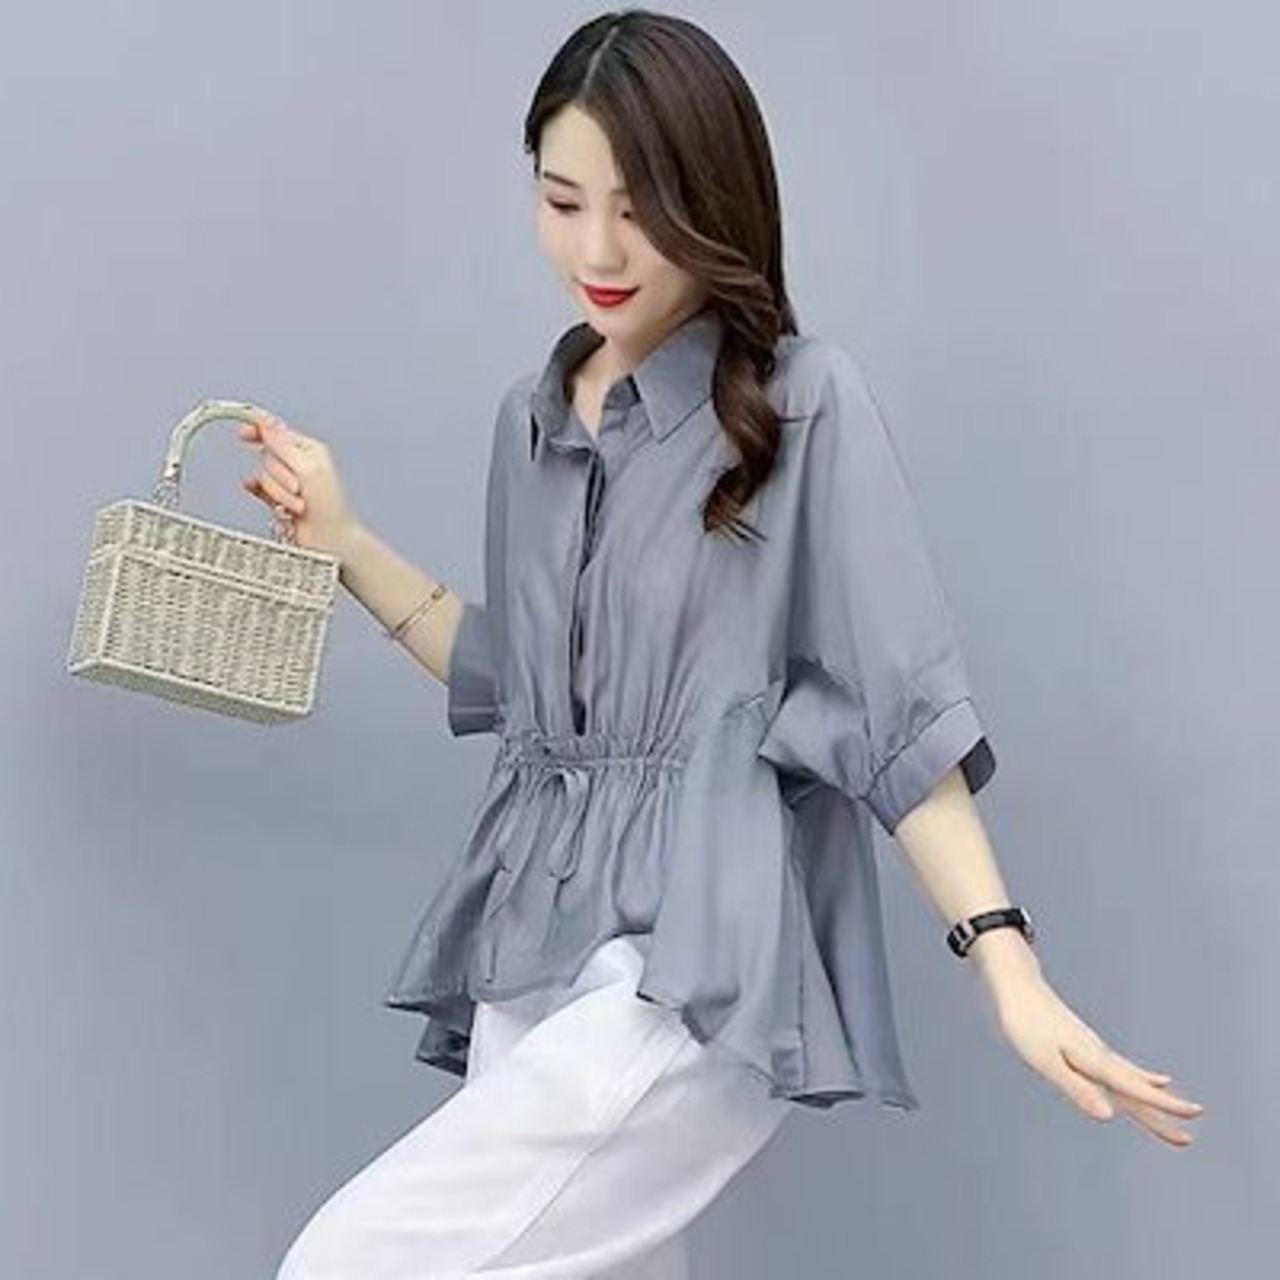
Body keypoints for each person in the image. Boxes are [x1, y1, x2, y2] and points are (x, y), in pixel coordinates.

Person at [239, 9, 1205, 1277]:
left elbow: (890, 715)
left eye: (637, 208)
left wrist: (1006, 963)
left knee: (348, 1260)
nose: (596, 249)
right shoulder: (530, 422)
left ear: (711, 203)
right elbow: (530, 695)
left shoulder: (801, 407)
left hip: (689, 965)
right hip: (533, 947)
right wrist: (348, 543)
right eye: (562, 201)